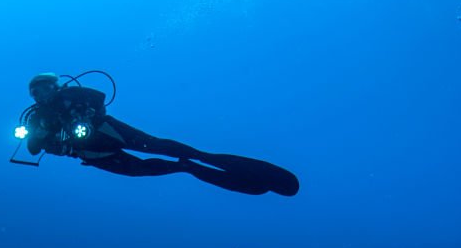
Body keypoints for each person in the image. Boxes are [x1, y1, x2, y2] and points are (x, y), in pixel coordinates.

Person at [22, 72, 299, 196]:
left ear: (54, 86)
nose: (40, 94)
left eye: (43, 88)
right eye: (35, 92)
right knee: (140, 170)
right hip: (93, 154)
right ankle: (187, 168)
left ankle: (201, 157)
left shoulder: (71, 94)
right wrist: (38, 135)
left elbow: (100, 95)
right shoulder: (37, 117)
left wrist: (91, 115)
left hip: (110, 132)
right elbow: (33, 149)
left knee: (157, 145)